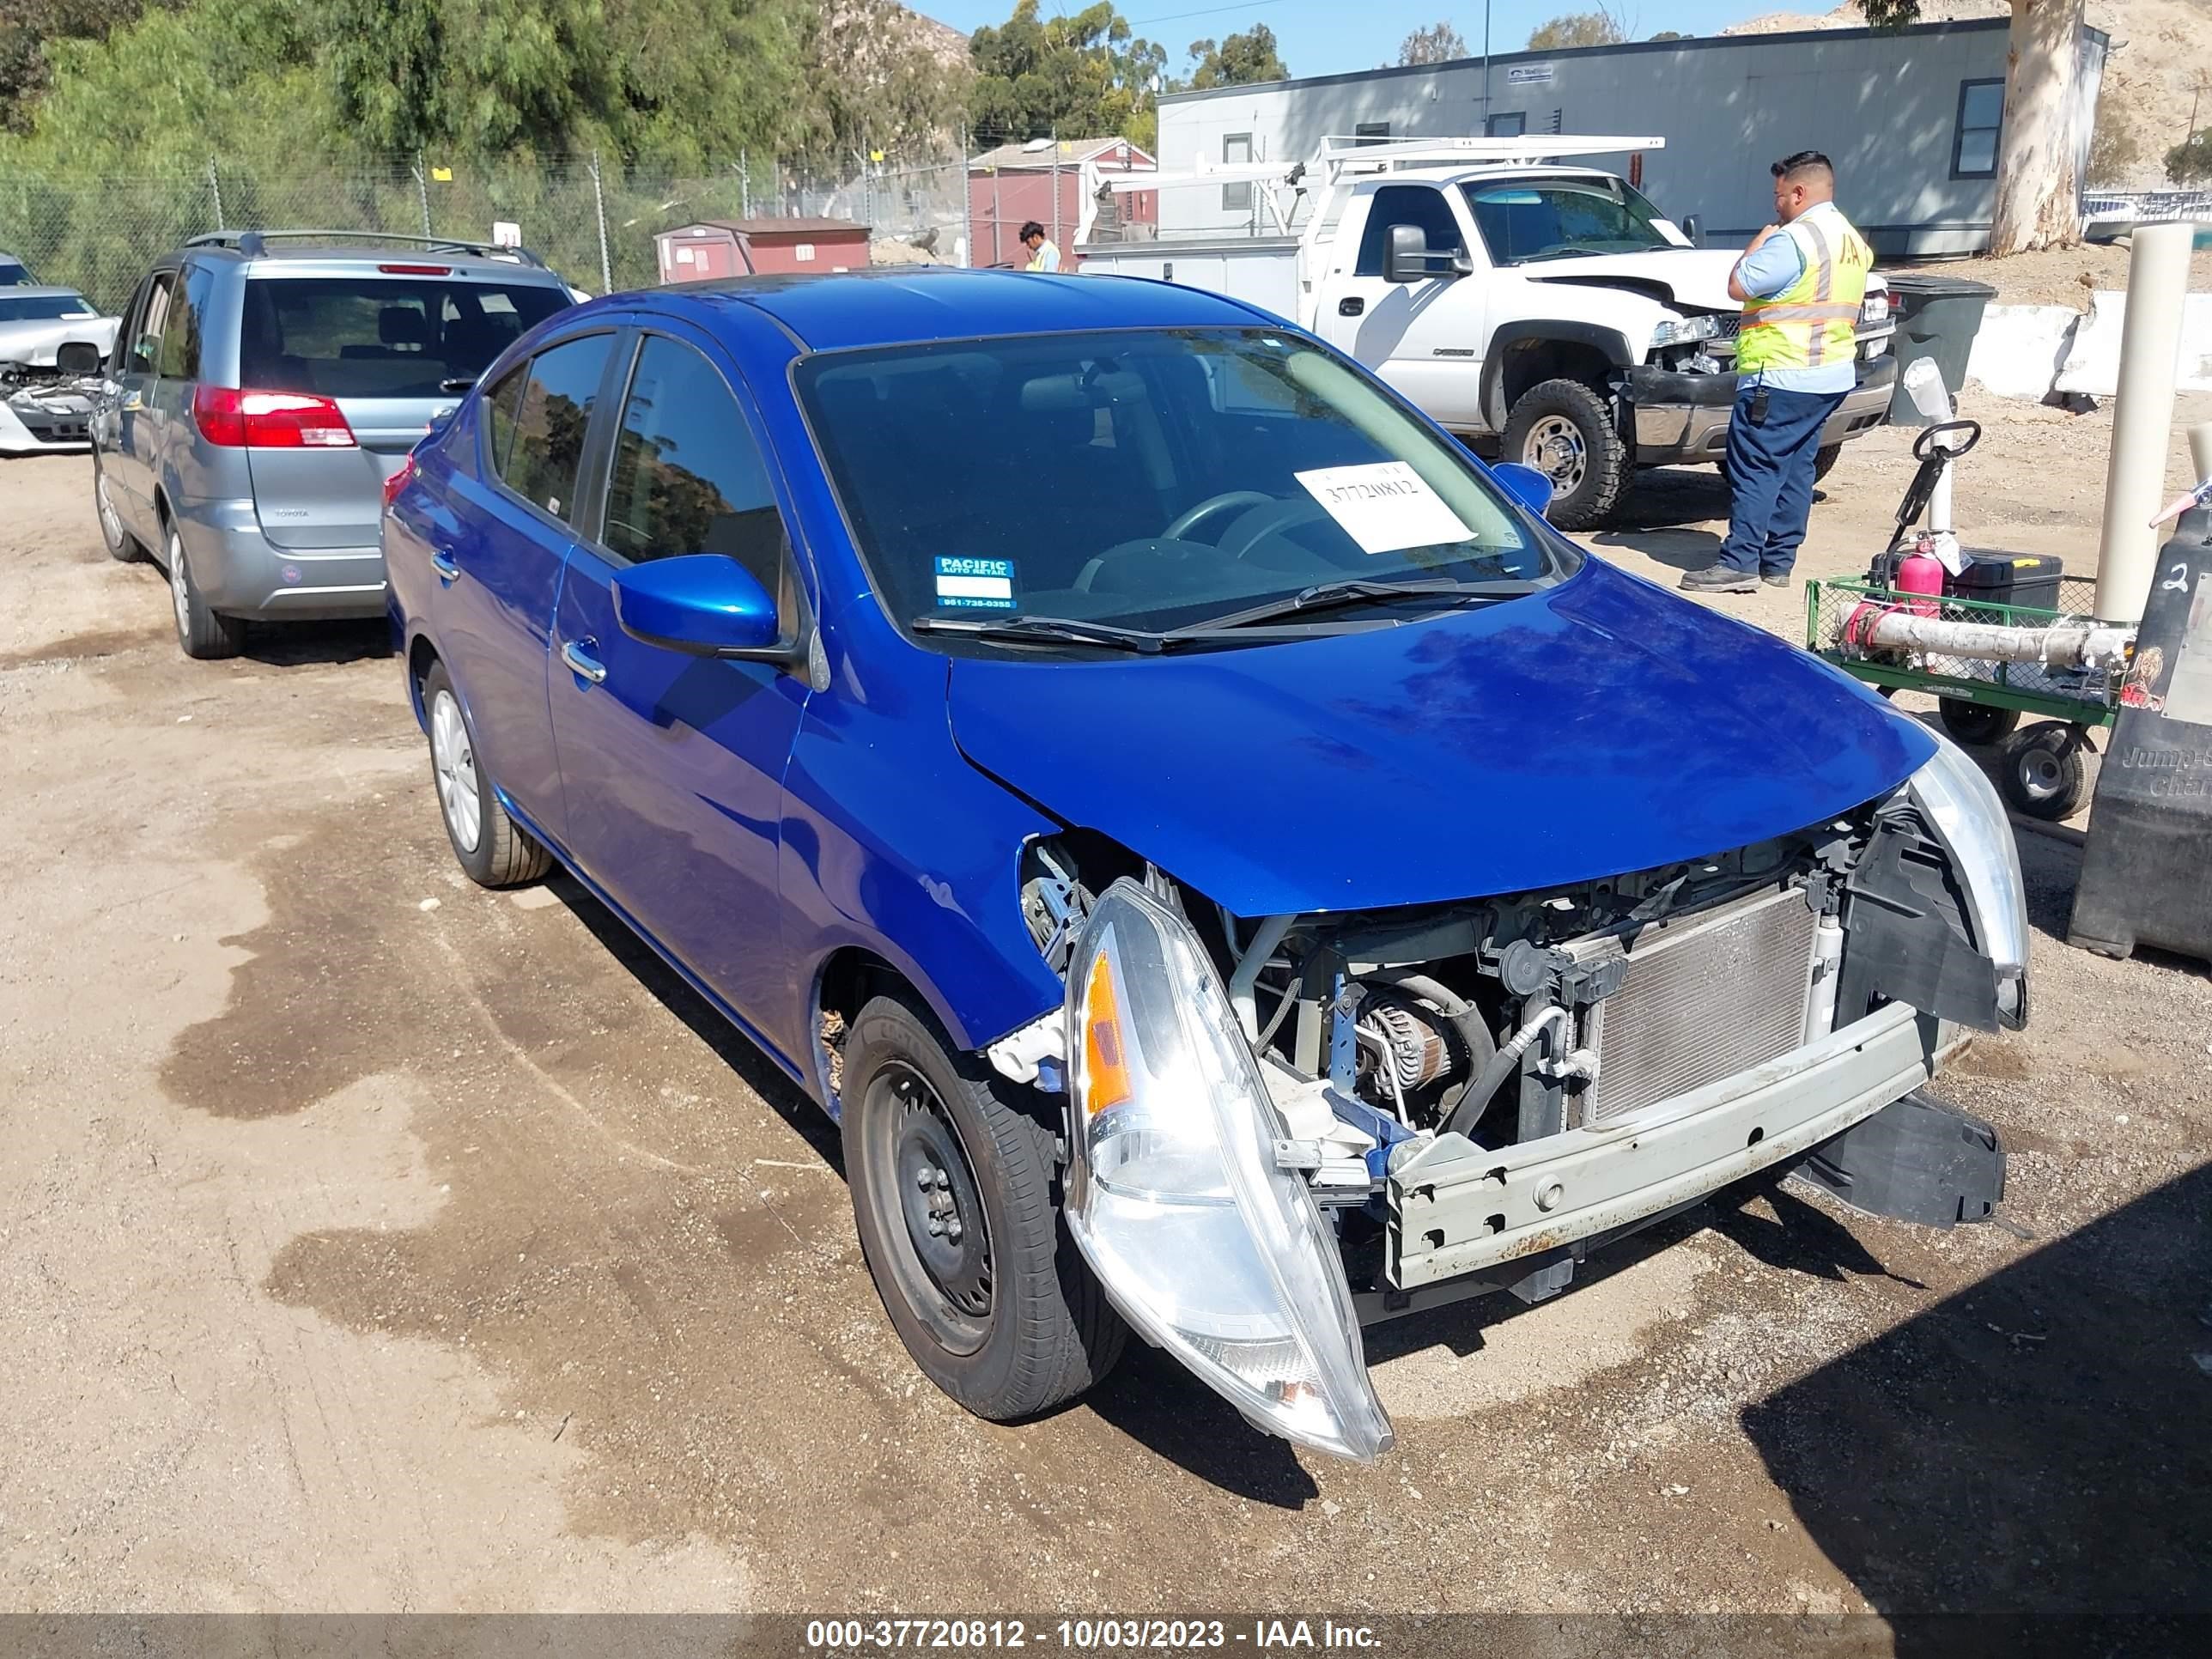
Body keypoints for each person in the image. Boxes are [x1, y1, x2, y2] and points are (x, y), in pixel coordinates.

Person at [1682, 150, 1873, 595]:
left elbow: (1739, 285)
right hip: (1829, 375)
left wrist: (1759, 242)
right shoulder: (1850, 239)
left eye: (1780, 195)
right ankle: (1779, 562)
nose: (1777, 205)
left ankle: (1740, 563)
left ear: (1800, 192)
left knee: (1756, 467)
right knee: (1798, 467)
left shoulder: (1794, 239)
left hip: (1781, 374)